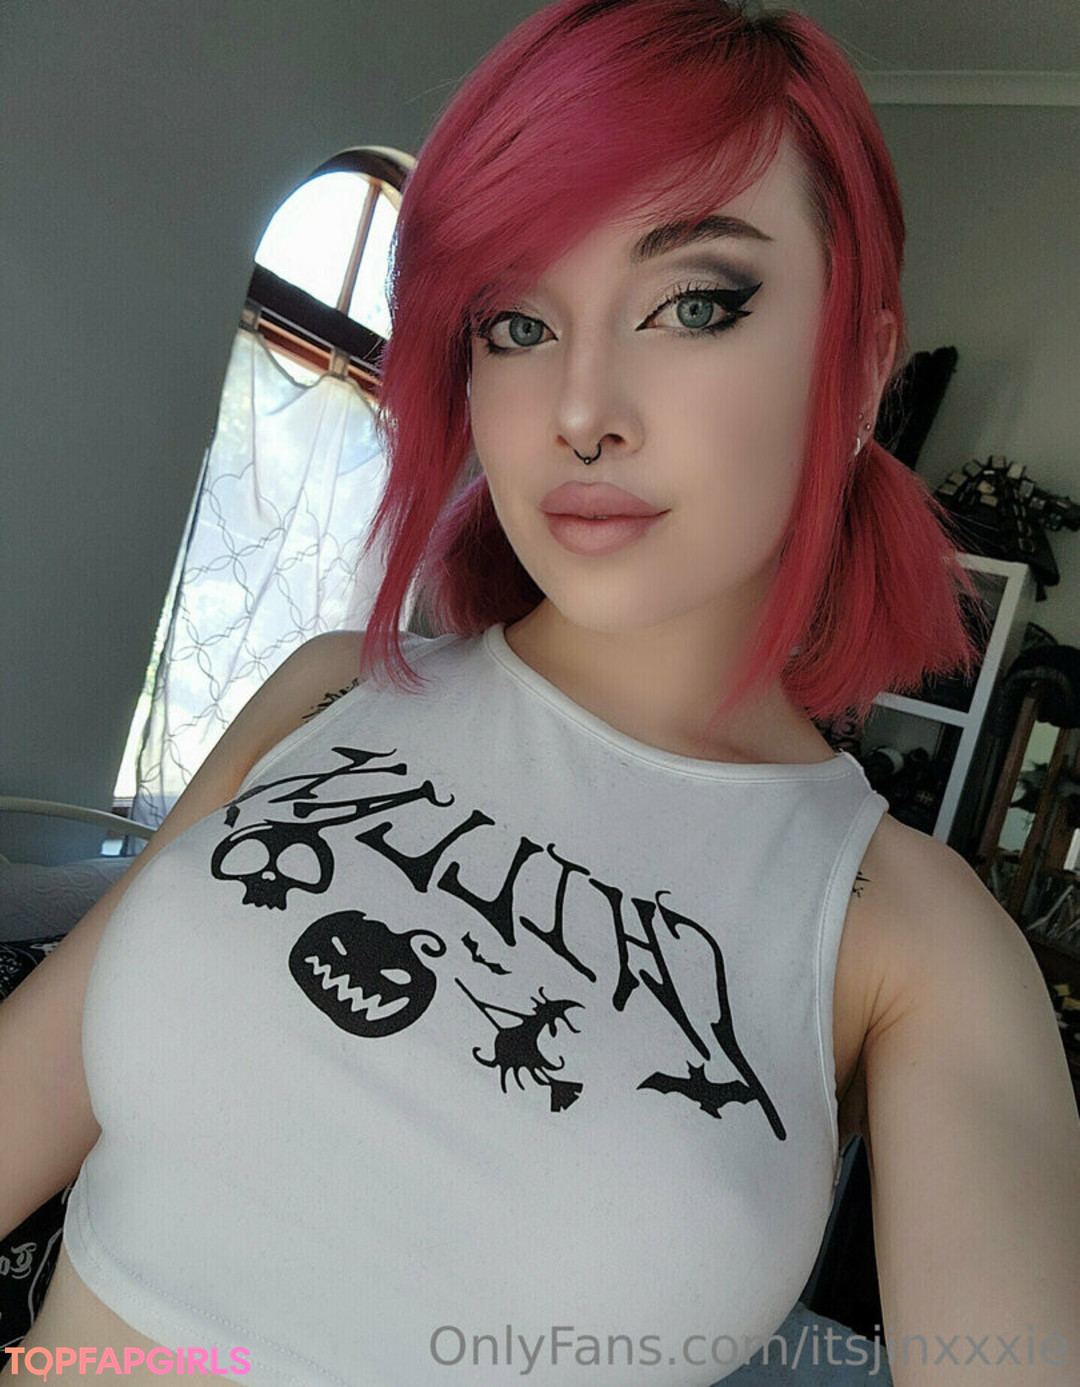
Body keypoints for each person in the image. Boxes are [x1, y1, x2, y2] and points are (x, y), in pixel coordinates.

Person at [4, 0, 1079, 1383]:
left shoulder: (914, 943)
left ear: (860, 371)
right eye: (517, 322)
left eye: (695, 304)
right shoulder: (332, 693)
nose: (580, 410)